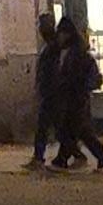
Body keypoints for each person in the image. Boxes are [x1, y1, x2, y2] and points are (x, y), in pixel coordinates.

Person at [53, 15, 103, 173]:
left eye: (60, 33)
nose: (58, 37)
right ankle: (62, 159)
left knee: (78, 130)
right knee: (74, 129)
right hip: (75, 96)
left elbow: (74, 76)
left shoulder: (77, 54)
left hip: (76, 96)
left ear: (67, 34)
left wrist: (70, 87)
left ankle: (102, 158)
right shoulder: (71, 52)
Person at [25, 13, 65, 169]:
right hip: (50, 91)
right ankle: (42, 156)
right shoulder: (50, 45)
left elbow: (53, 70)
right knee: (54, 126)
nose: (39, 28)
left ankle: (39, 157)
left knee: (46, 126)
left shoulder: (53, 46)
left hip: (52, 92)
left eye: (41, 25)